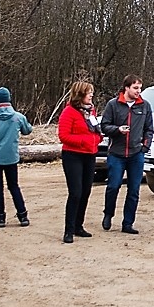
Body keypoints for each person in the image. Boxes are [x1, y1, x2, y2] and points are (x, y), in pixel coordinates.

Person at [100, 75, 154, 235]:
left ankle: (128, 223)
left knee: (134, 190)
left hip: (136, 154)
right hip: (116, 153)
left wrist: (145, 146)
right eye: (135, 88)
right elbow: (104, 126)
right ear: (127, 88)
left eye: (140, 88)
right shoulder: (113, 105)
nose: (139, 91)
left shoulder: (144, 106)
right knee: (113, 186)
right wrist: (117, 130)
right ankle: (108, 214)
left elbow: (149, 129)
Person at [0, 87, 33, 228]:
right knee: (14, 186)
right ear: (9, 99)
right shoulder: (17, 117)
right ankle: (23, 216)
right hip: (11, 158)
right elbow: (27, 130)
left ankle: (1, 218)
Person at [58, 81, 102, 244]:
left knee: (86, 192)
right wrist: (84, 141)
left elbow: (95, 130)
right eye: (89, 92)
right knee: (75, 192)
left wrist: (97, 139)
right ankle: (68, 230)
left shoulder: (91, 111)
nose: (91, 95)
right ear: (80, 94)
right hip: (73, 155)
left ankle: (78, 226)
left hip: (90, 155)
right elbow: (64, 136)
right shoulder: (68, 112)